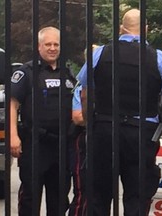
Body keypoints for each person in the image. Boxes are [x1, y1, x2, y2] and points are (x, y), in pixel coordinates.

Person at [77, 8, 162, 216]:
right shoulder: (158, 58)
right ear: (146, 29)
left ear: (120, 29)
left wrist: (92, 124)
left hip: (105, 130)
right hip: (141, 135)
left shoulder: (100, 53)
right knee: (137, 196)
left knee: (99, 195)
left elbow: (84, 95)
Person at [10, 26, 76, 216]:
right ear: (39, 46)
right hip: (35, 144)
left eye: (56, 44)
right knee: (30, 197)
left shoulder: (68, 73)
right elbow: (12, 105)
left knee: (59, 197)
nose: (52, 48)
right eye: (48, 44)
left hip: (62, 145)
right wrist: (13, 136)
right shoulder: (27, 72)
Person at [68, 83, 87, 216]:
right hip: (87, 143)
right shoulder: (83, 86)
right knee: (83, 191)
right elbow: (78, 117)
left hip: (120, 142)